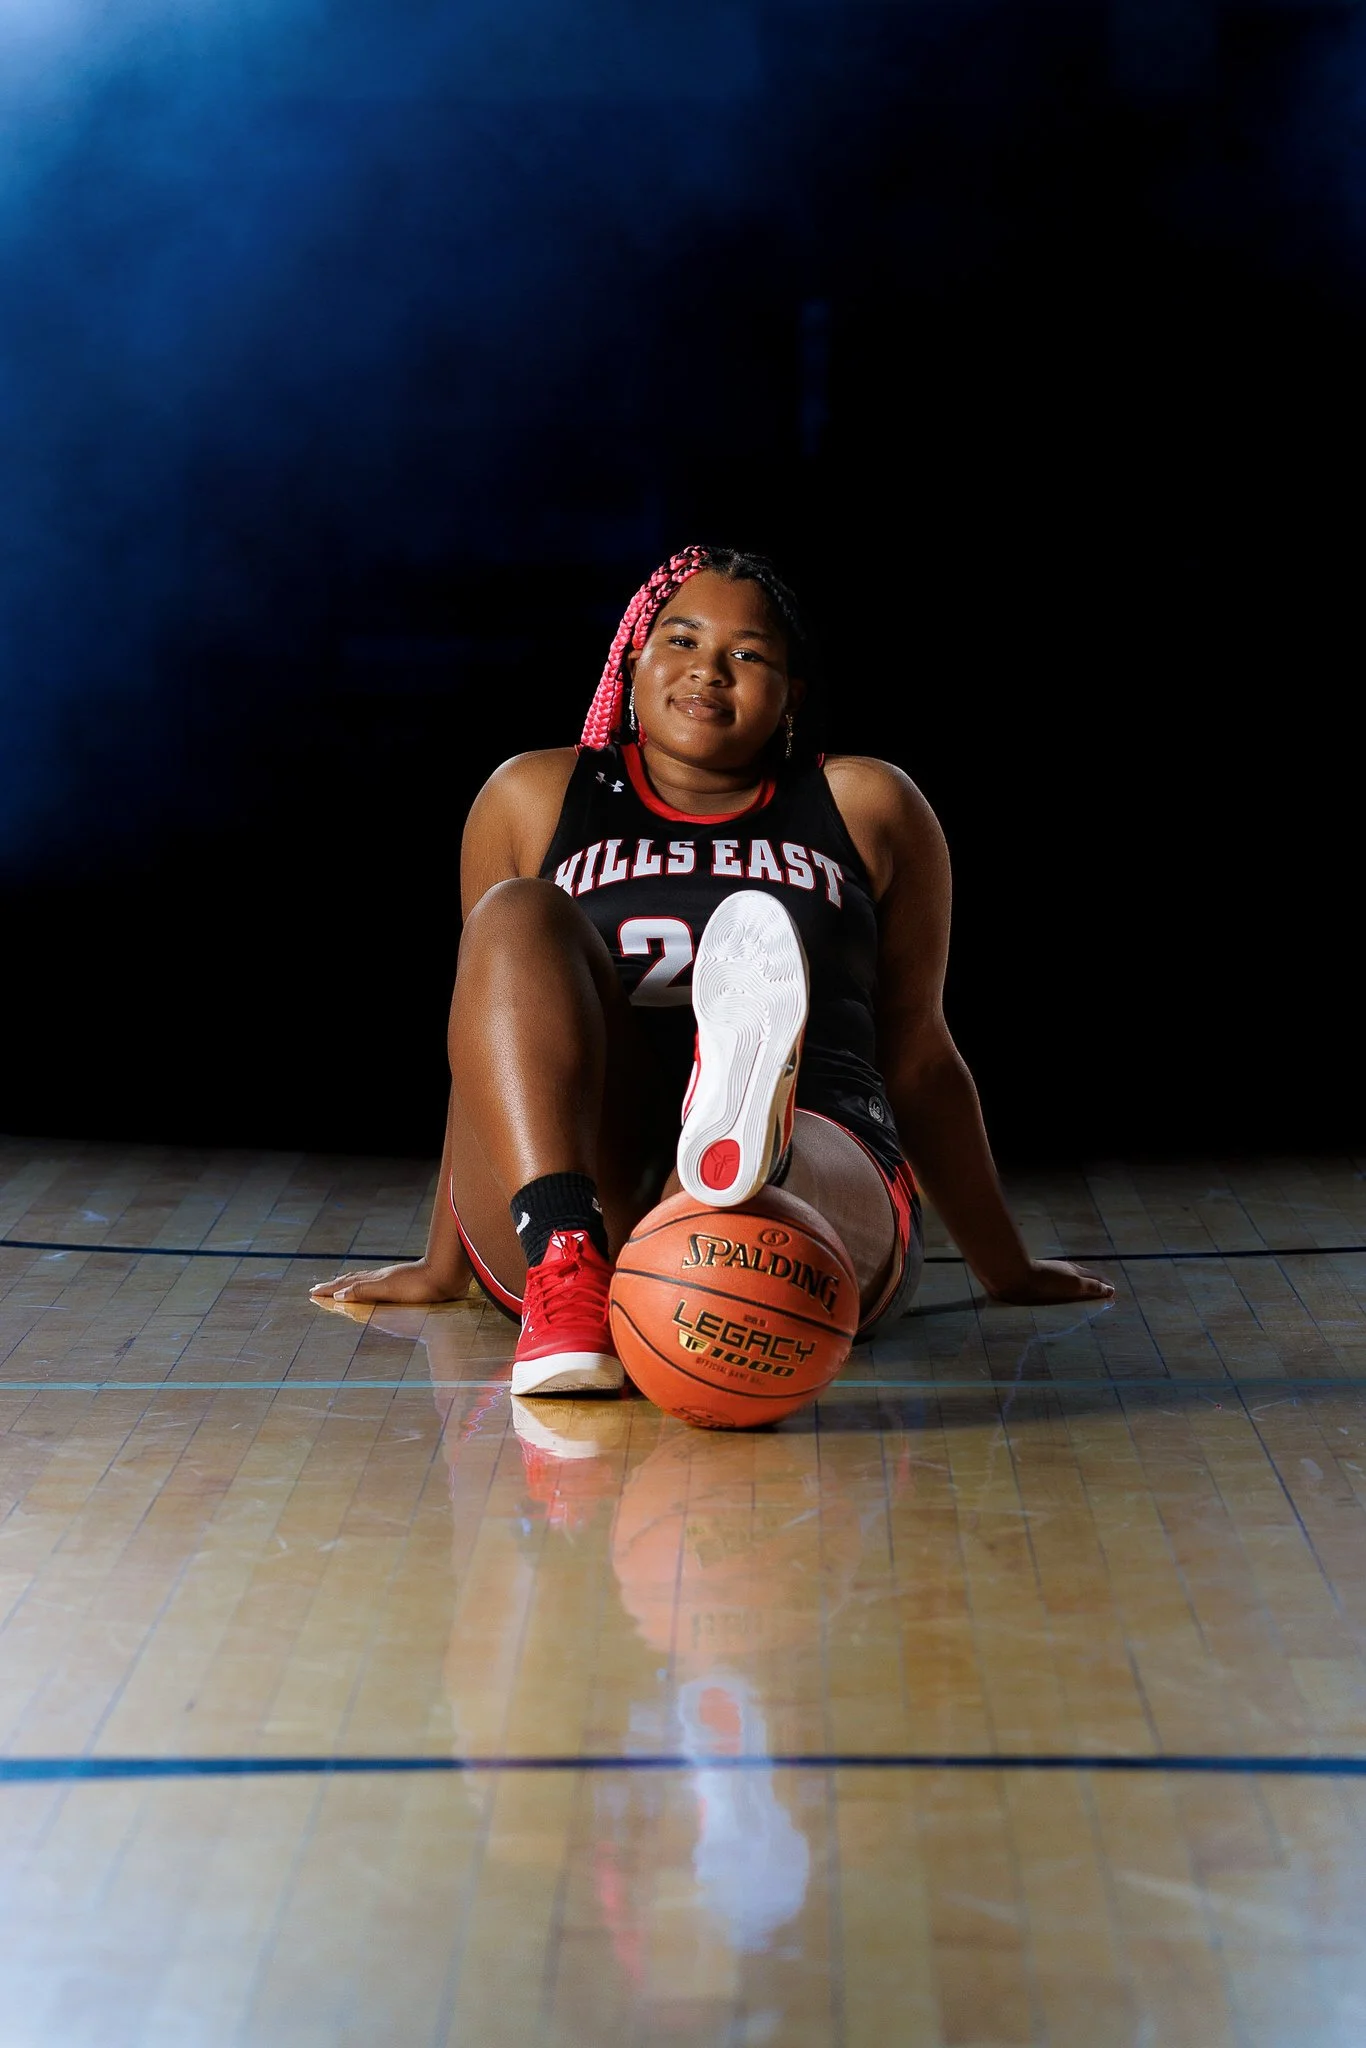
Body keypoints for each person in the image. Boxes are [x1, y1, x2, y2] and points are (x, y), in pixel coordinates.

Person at [310, 544, 1112, 1392]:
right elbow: (486, 1052)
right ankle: (571, 1259)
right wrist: (443, 1267)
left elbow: (916, 1053)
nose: (709, 672)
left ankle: (743, 1139)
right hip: (597, 1165)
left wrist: (1007, 1267)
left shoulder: (865, 804)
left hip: (819, 1152)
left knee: (790, 1159)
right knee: (513, 918)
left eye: (749, 655)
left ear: (792, 694)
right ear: (634, 660)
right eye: (682, 641)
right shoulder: (534, 795)